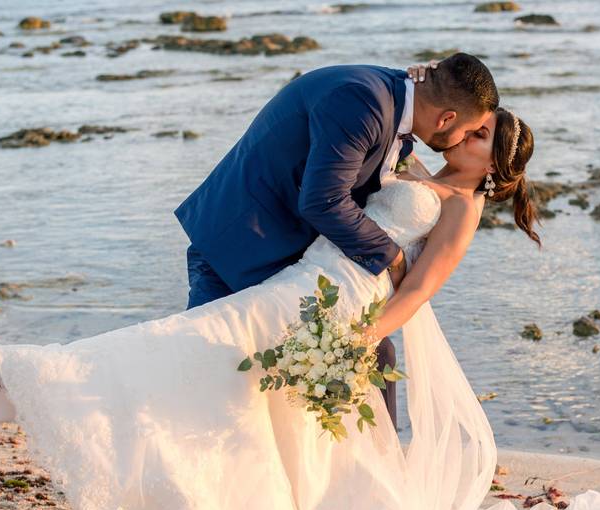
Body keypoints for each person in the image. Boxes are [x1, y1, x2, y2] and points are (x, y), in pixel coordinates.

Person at [0, 102, 600, 510]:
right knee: (211, 356)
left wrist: (363, 341)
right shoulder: (413, 166)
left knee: (201, 341)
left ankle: (25, 378)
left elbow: (423, 288)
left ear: (490, 161)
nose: (466, 128)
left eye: (483, 131)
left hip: (343, 303)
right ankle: (36, 388)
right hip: (306, 281)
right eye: (473, 120)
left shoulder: (460, 209)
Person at [174, 53, 499, 430]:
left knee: (367, 359)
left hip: (290, 259)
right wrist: (391, 257)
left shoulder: (396, 103)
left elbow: (407, 183)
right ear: (446, 119)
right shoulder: (364, 101)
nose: (461, 140)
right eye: (468, 130)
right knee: (202, 377)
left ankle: (365, 471)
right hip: (239, 247)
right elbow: (323, 201)